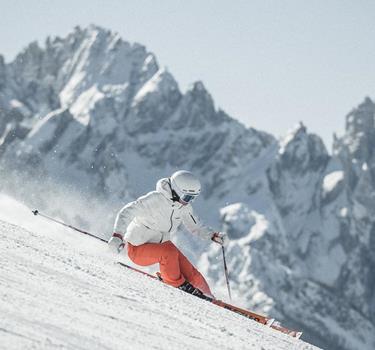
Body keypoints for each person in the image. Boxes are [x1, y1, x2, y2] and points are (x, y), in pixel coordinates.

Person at [108, 170, 225, 298]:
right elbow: (126, 212)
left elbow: (195, 226)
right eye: (187, 197)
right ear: (176, 191)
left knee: (190, 271)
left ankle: (208, 295)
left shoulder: (184, 207)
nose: (188, 201)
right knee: (169, 253)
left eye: (193, 198)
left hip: (162, 246)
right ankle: (176, 284)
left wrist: (212, 235)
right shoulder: (156, 199)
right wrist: (117, 235)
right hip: (137, 248)